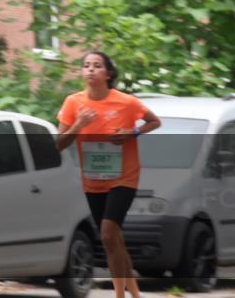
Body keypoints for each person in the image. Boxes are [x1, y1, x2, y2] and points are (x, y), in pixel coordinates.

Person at [56, 51, 162, 298]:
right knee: (113, 239)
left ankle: (119, 295)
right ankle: (134, 293)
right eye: (86, 66)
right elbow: (60, 143)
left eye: (97, 65)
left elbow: (154, 121)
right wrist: (78, 125)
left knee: (107, 232)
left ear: (108, 73)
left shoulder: (126, 102)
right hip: (93, 180)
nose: (90, 69)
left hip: (124, 176)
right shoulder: (73, 103)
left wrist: (131, 133)